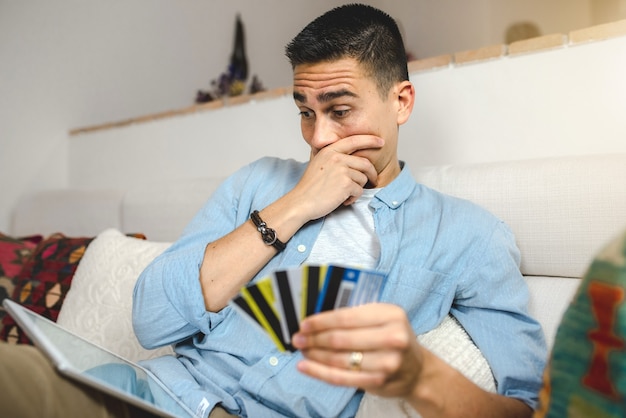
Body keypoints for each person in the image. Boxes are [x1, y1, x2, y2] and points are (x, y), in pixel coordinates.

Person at [0, 4, 546, 418]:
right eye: (306, 113)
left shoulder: (467, 235)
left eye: (339, 111)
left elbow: (526, 407)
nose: (319, 137)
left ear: (400, 102)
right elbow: (151, 319)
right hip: (154, 397)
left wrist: (421, 375)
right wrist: (296, 204)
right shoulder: (260, 181)